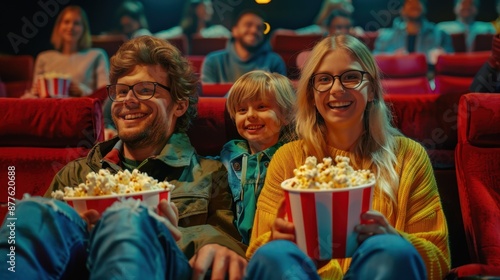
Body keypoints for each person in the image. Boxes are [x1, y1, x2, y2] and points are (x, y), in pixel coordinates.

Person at [0, 35, 246, 279]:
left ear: (179, 105)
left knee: (128, 216)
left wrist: (159, 234)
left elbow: (229, 244)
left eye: (145, 90)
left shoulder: (210, 173)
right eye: (121, 91)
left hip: (164, 268)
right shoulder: (76, 174)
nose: (128, 100)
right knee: (29, 210)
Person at [244, 34, 450, 279]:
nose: (337, 89)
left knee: (392, 250)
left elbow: (439, 260)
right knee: (274, 254)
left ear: (372, 89)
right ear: (311, 94)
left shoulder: (408, 157)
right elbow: (257, 257)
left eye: (351, 77)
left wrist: (396, 239)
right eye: (323, 80)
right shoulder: (288, 158)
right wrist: (286, 246)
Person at [221, 70, 296, 245]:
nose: (250, 115)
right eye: (242, 109)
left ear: (286, 115)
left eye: (261, 107)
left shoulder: (294, 156)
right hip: (239, 245)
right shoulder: (230, 153)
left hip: (276, 244)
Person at [24, 5, 109, 98]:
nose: (71, 27)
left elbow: (105, 94)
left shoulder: (97, 55)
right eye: (66, 22)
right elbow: (34, 92)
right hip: (50, 108)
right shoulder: (43, 57)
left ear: (84, 29)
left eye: (76, 23)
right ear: (58, 27)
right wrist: (36, 91)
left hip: (82, 107)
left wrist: (84, 91)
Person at [201, 10, 286, 83]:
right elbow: (208, 98)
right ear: (234, 30)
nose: (254, 30)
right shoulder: (213, 61)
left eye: (259, 28)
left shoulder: (275, 62)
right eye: (248, 25)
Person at [373, 0, 454, 66]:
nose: (414, 3)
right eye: (409, 2)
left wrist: (443, 57)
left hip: (430, 79)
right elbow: (373, 60)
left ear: (424, 8)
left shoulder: (440, 34)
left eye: (418, 2)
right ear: (402, 10)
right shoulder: (386, 36)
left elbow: (452, 60)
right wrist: (391, 58)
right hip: (396, 80)